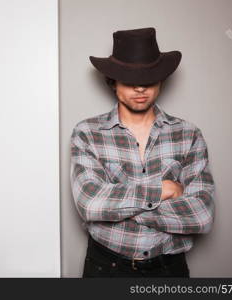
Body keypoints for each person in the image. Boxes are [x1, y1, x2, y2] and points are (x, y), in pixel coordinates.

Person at [70, 27, 215, 278]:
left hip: (169, 269)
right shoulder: (87, 133)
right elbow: (91, 204)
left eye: (148, 78)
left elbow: (201, 216)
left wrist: (117, 209)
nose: (140, 88)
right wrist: (164, 189)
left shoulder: (188, 134)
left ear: (161, 79)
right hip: (106, 267)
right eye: (129, 78)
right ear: (113, 82)